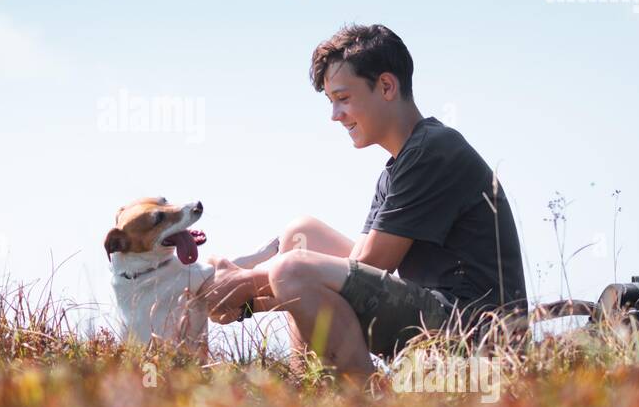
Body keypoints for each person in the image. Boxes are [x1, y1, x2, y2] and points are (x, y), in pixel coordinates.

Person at [205, 23, 528, 377]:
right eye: (331, 102)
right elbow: (356, 270)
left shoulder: (433, 150)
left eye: (343, 99)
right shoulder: (398, 166)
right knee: (302, 235)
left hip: (480, 343)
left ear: (387, 86)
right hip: (441, 319)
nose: (335, 115)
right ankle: (310, 391)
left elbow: (369, 264)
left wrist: (246, 282)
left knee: (293, 267)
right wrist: (244, 301)